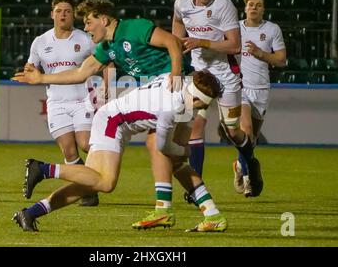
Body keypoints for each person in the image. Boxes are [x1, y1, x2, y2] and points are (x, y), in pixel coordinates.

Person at [12, 0, 223, 229]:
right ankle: (184, 211)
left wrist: (174, 74)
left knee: (108, 176)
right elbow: (81, 73)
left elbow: (173, 42)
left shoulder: (134, 27)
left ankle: (193, 213)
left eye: (89, 22)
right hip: (156, 102)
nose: (86, 28)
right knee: (110, 176)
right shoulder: (107, 47)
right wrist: (42, 78)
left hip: (173, 90)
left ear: (104, 19)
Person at [12, 71, 227, 233]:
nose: (200, 111)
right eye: (201, 106)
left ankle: (30, 213)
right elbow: (163, 147)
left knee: (90, 184)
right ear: (197, 99)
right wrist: (185, 149)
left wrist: (182, 151)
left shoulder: (181, 82)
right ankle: (42, 168)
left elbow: (179, 138)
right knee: (105, 183)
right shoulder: (171, 108)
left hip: (118, 120)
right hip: (113, 122)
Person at [172, 0, 263, 197]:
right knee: (194, 126)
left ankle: (250, 163)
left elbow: (234, 45)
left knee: (232, 131)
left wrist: (201, 42)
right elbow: (177, 30)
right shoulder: (182, 3)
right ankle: (196, 186)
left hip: (225, 73)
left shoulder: (223, 4)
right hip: (200, 75)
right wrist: (176, 52)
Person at [26, 0, 99, 206]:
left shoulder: (85, 39)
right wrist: (27, 73)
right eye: (59, 11)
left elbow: (106, 62)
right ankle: (88, 190)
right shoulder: (40, 42)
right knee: (69, 151)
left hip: (83, 100)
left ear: (73, 15)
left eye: (67, 11)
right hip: (56, 103)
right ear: (52, 14)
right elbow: (31, 68)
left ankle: (94, 181)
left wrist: (106, 90)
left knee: (86, 143)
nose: (63, 15)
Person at [233, 0, 286, 194]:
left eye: (258, 5)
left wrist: (260, 53)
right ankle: (248, 180)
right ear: (245, 8)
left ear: (263, 9)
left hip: (261, 89)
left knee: (251, 140)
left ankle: (239, 166)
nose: (254, 8)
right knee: (245, 131)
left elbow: (281, 59)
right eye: (250, 4)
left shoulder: (272, 29)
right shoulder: (235, 28)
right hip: (241, 87)